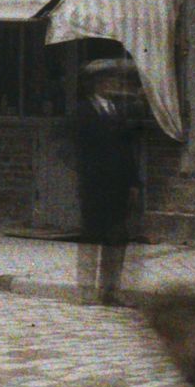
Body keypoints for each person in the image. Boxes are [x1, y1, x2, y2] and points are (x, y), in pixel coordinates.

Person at [74, 57, 143, 305]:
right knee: (92, 236)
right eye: (107, 80)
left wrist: (133, 183)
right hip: (94, 186)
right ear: (95, 84)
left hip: (118, 187)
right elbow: (73, 150)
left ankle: (111, 289)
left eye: (113, 80)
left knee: (117, 237)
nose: (112, 84)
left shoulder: (117, 110)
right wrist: (86, 174)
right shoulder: (82, 112)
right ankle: (86, 289)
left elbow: (127, 151)